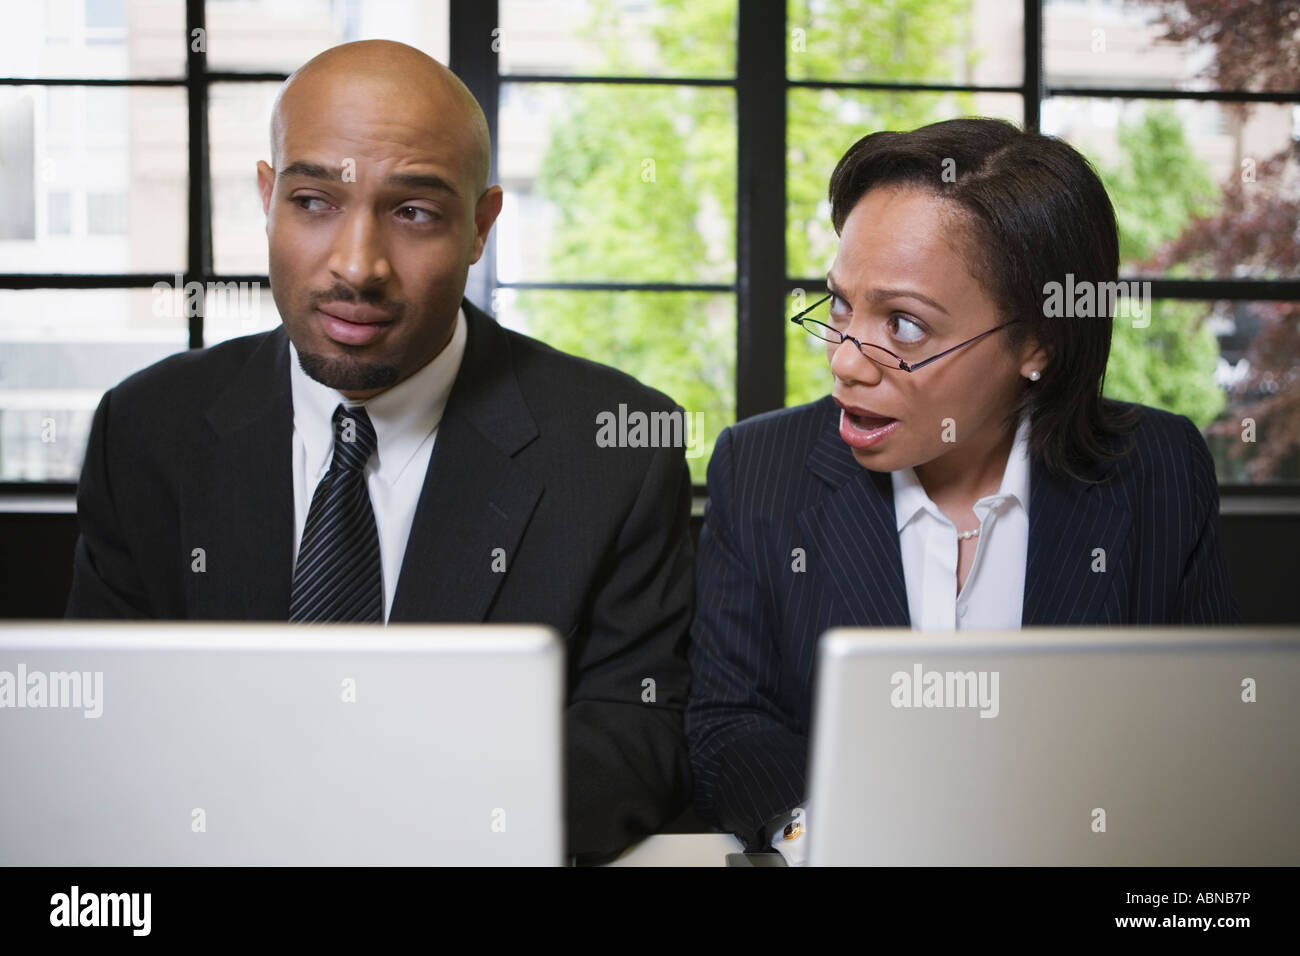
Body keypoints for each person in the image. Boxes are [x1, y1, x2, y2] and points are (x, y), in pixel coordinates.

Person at [65, 40, 693, 864]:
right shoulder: (146, 428)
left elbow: (637, 731)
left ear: (480, 226)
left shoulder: (617, 444)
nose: (357, 268)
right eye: (315, 201)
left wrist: (398, 830)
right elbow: (108, 715)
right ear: (268, 198)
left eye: (414, 213)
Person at [686, 117, 1241, 864]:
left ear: (1039, 341)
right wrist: (823, 833)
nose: (847, 362)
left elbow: (1206, 732)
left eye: (905, 325)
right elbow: (729, 720)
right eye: (841, 306)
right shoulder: (761, 468)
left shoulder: (1157, 468)